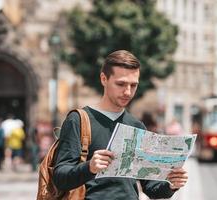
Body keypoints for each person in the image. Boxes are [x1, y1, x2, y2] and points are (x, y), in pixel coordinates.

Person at [53, 50, 188, 199]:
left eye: (133, 85)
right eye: (121, 84)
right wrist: (89, 167)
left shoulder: (137, 126)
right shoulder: (78, 120)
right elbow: (60, 178)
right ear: (104, 79)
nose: (128, 92)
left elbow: (150, 187)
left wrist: (171, 184)